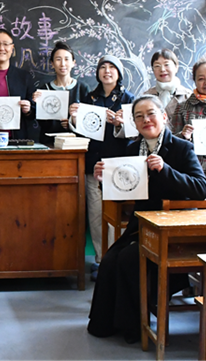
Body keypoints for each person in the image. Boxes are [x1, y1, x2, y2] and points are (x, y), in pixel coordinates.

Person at [87, 95, 206, 344]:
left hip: (173, 227)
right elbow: (123, 193)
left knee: (130, 259)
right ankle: (108, 324)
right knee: (110, 260)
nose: (146, 120)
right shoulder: (132, 150)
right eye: (139, 116)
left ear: (163, 116)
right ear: (134, 123)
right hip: (142, 226)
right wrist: (104, 181)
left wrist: (166, 169)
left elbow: (201, 189)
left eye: (151, 113)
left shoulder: (181, 148)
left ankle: (135, 325)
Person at [69, 55, 134, 271]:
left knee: (117, 214)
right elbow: (80, 131)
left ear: (119, 73)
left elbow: (134, 134)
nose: (107, 71)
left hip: (120, 165)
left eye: (112, 67)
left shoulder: (128, 99)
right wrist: (74, 118)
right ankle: (100, 259)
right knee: (96, 214)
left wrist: (120, 124)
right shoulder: (89, 98)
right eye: (103, 67)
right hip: (93, 163)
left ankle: (118, 260)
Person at [32, 41, 90, 145]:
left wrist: (72, 123)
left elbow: (89, 121)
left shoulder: (82, 88)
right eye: (58, 59)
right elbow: (40, 123)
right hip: (49, 144)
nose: (63, 64)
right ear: (52, 63)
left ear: (73, 63)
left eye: (67, 59)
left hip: (76, 145)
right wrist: (37, 105)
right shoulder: (44, 90)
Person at [142, 48, 191, 119]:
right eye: (157, 66)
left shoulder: (188, 96)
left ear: (176, 67)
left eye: (166, 64)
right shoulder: (146, 97)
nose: (162, 69)